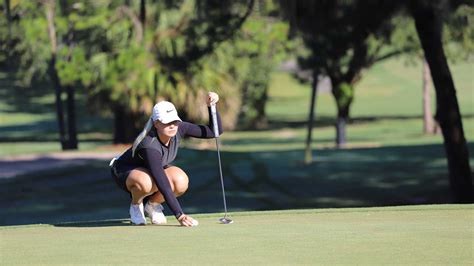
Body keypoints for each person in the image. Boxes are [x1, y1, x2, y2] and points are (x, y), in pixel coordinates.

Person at [110, 92, 222, 227]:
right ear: (156, 124)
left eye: (175, 121)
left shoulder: (179, 128)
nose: (172, 125)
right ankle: (136, 205)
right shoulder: (149, 144)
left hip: (151, 171)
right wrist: (179, 214)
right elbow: (161, 181)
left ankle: (152, 205)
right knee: (145, 183)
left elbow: (214, 132)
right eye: (167, 122)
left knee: (180, 180)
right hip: (125, 171)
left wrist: (212, 106)